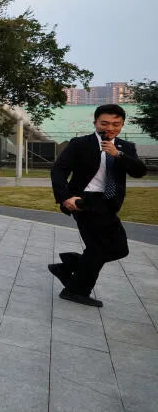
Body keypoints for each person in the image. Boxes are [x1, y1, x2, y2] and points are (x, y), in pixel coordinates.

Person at [49, 104, 146, 307]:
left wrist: (116, 154)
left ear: (121, 125)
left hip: (109, 203)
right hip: (83, 202)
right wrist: (65, 198)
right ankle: (76, 290)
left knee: (119, 249)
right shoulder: (80, 144)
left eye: (115, 124)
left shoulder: (125, 148)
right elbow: (59, 170)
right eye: (105, 123)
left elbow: (139, 171)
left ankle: (69, 266)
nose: (110, 128)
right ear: (95, 123)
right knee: (97, 248)